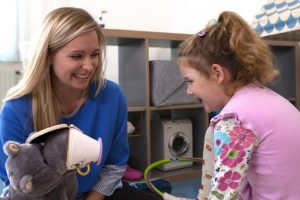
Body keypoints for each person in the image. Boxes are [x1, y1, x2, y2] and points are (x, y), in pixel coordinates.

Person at [0, 7, 162, 200]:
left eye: (94, 54)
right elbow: (17, 182)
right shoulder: (16, 108)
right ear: (48, 56)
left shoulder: (112, 95)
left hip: (96, 194)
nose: (89, 66)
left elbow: (114, 166)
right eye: (77, 56)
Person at [170, 11, 300, 199]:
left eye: (190, 81)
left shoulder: (234, 120)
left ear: (217, 74)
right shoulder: (273, 99)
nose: (189, 91)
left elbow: (222, 196)